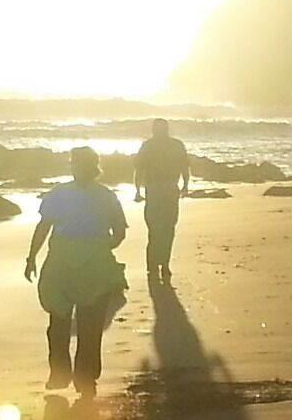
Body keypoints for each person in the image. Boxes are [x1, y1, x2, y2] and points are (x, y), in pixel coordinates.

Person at [25, 145, 129, 394]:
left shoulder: (66, 194)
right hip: (82, 262)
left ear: (91, 167)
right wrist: (31, 257)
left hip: (71, 261)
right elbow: (119, 232)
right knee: (78, 325)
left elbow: (44, 226)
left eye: (78, 163)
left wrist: (32, 257)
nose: (76, 168)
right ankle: (78, 377)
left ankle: (75, 377)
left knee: (75, 324)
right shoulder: (104, 195)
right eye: (75, 163)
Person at [132, 118, 190, 279]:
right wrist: (185, 185)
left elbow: (138, 170)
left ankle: (153, 265)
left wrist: (137, 190)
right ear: (167, 129)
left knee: (154, 229)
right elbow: (185, 167)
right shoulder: (177, 145)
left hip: (154, 190)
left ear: (153, 130)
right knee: (168, 228)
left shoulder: (148, 146)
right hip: (170, 189)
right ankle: (164, 264)